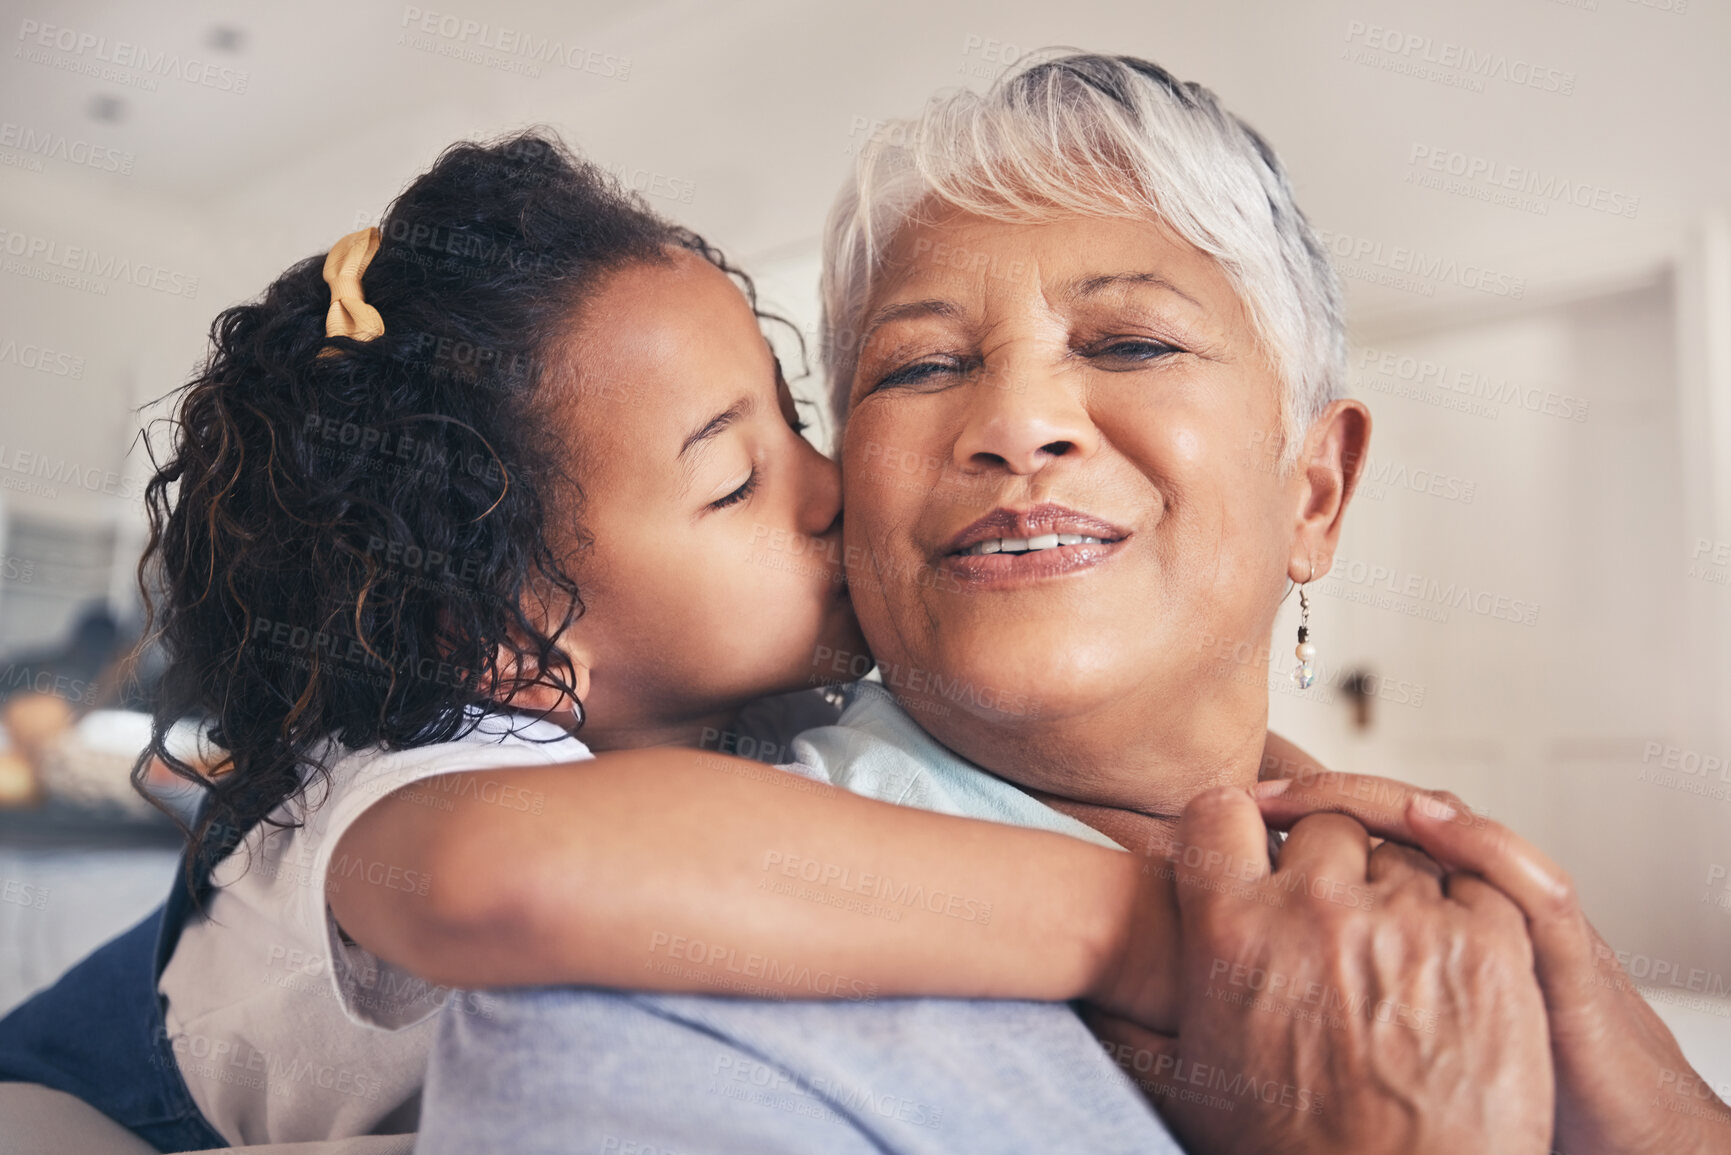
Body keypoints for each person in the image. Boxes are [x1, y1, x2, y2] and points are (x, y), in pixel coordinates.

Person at [413, 52, 1731, 1155]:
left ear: (1315, 494)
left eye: (1130, 342)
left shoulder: (1460, 951)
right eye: (921, 366)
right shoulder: (635, 984)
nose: (1018, 422)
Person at [0, 130, 1332, 1151]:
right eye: (737, 483)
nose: (830, 487)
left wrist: (1283, 799)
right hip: (83, 1087)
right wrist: (1166, 936)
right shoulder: (417, 795)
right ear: (514, 653)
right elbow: (512, 869)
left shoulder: (724, 706)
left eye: (793, 422)